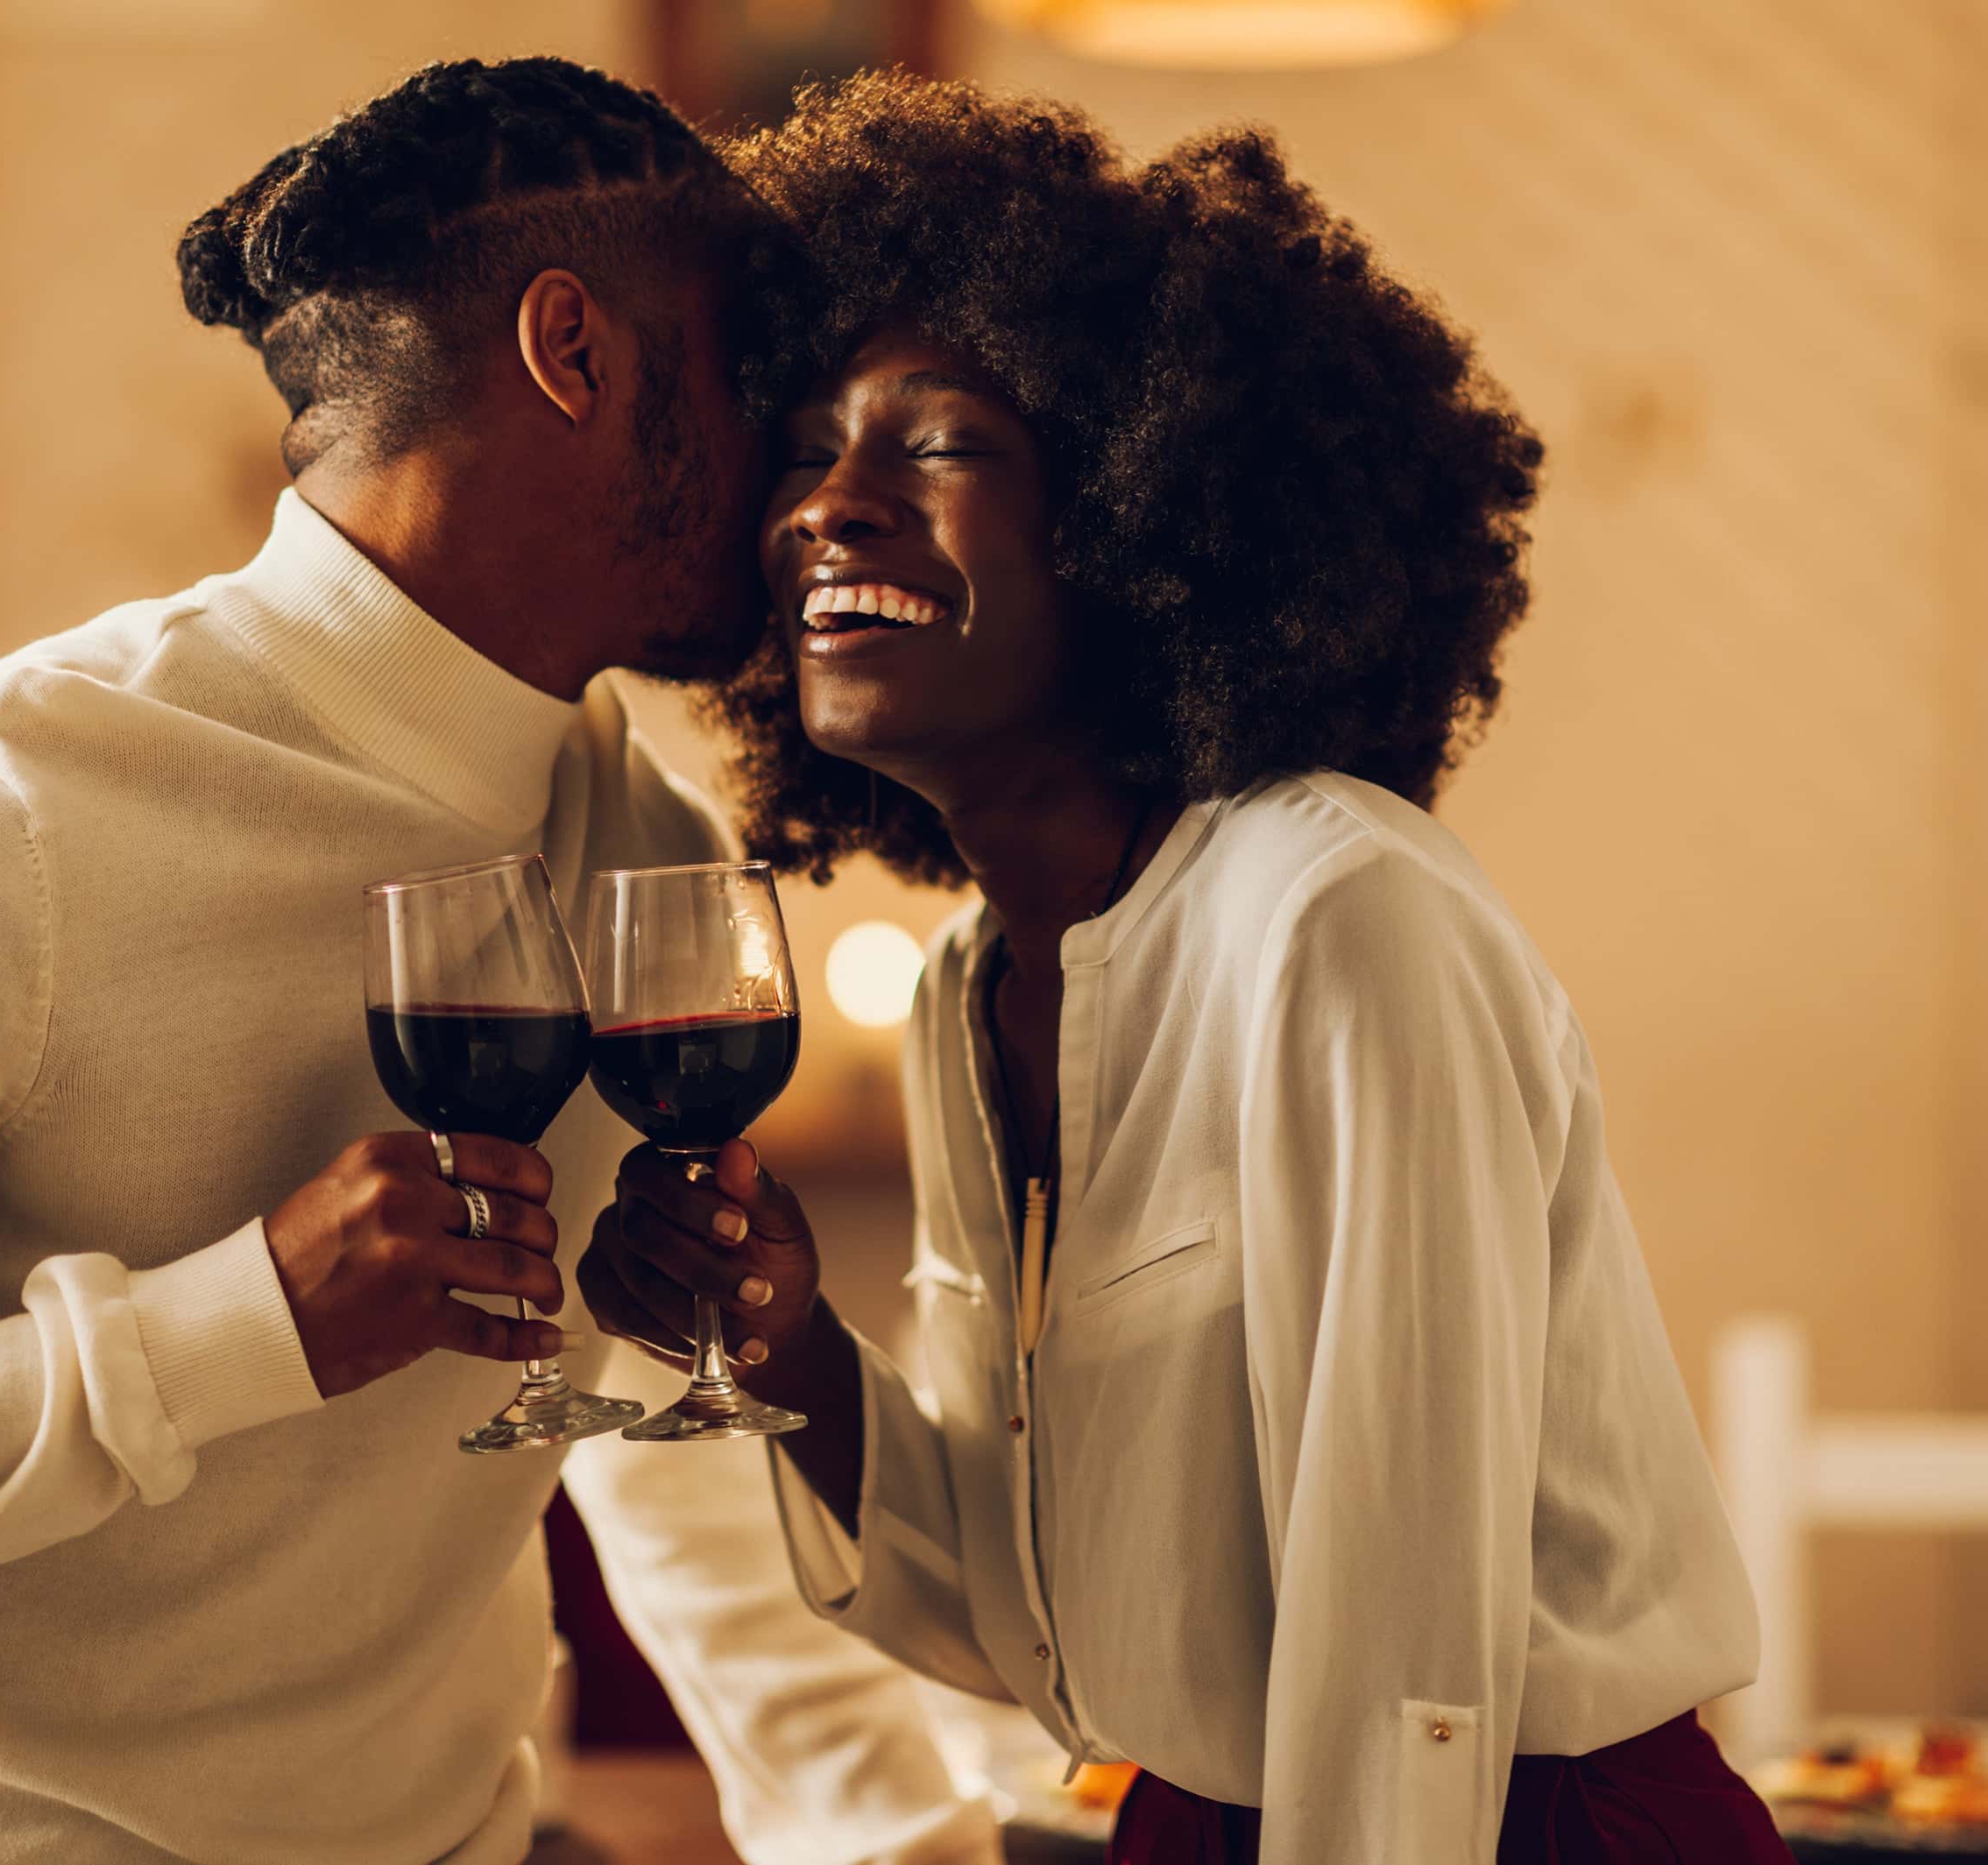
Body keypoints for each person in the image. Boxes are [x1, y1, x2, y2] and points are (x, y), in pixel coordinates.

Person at [0, 60, 996, 1865]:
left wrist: (891, 1842)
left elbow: (658, 1433)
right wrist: (233, 1332)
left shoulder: (646, 843)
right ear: (570, 352)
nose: (802, 478)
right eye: (756, 376)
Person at [579, 73, 1791, 1865]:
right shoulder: (970, 982)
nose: (829, 508)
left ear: (1143, 511)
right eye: (810, 451)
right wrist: (784, 1349)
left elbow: (1402, 1675)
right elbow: (1036, 1618)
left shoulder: (1338, 916)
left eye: (933, 444)